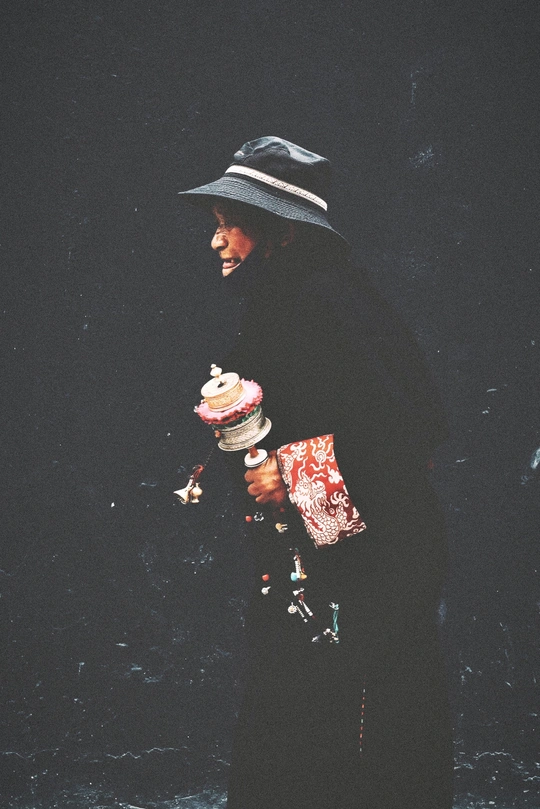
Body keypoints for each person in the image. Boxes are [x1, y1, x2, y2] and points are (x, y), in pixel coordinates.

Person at [179, 136, 453, 809]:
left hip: (372, 574)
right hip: (319, 566)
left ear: (278, 229)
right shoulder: (285, 298)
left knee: (354, 740)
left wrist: (292, 476)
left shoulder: (327, 300)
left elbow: (412, 430)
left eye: (228, 224)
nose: (216, 241)